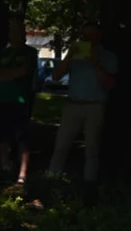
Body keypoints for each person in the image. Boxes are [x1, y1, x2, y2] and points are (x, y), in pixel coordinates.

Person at [47, 23, 118, 183]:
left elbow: (109, 84)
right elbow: (56, 76)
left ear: (99, 36)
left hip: (95, 106)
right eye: (84, 36)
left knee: (92, 148)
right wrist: (69, 55)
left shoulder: (107, 56)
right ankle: (51, 179)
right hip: (73, 104)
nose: (87, 40)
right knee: (61, 145)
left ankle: (89, 183)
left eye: (90, 36)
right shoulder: (75, 55)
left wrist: (95, 62)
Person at [0, 17, 37, 184]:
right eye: (13, 31)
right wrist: (12, 74)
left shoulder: (30, 52)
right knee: (3, 136)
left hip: (22, 101)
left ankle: (22, 175)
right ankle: (5, 168)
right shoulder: (3, 53)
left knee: (22, 137)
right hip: (3, 100)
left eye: (19, 31)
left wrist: (6, 75)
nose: (16, 34)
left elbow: (24, 71)